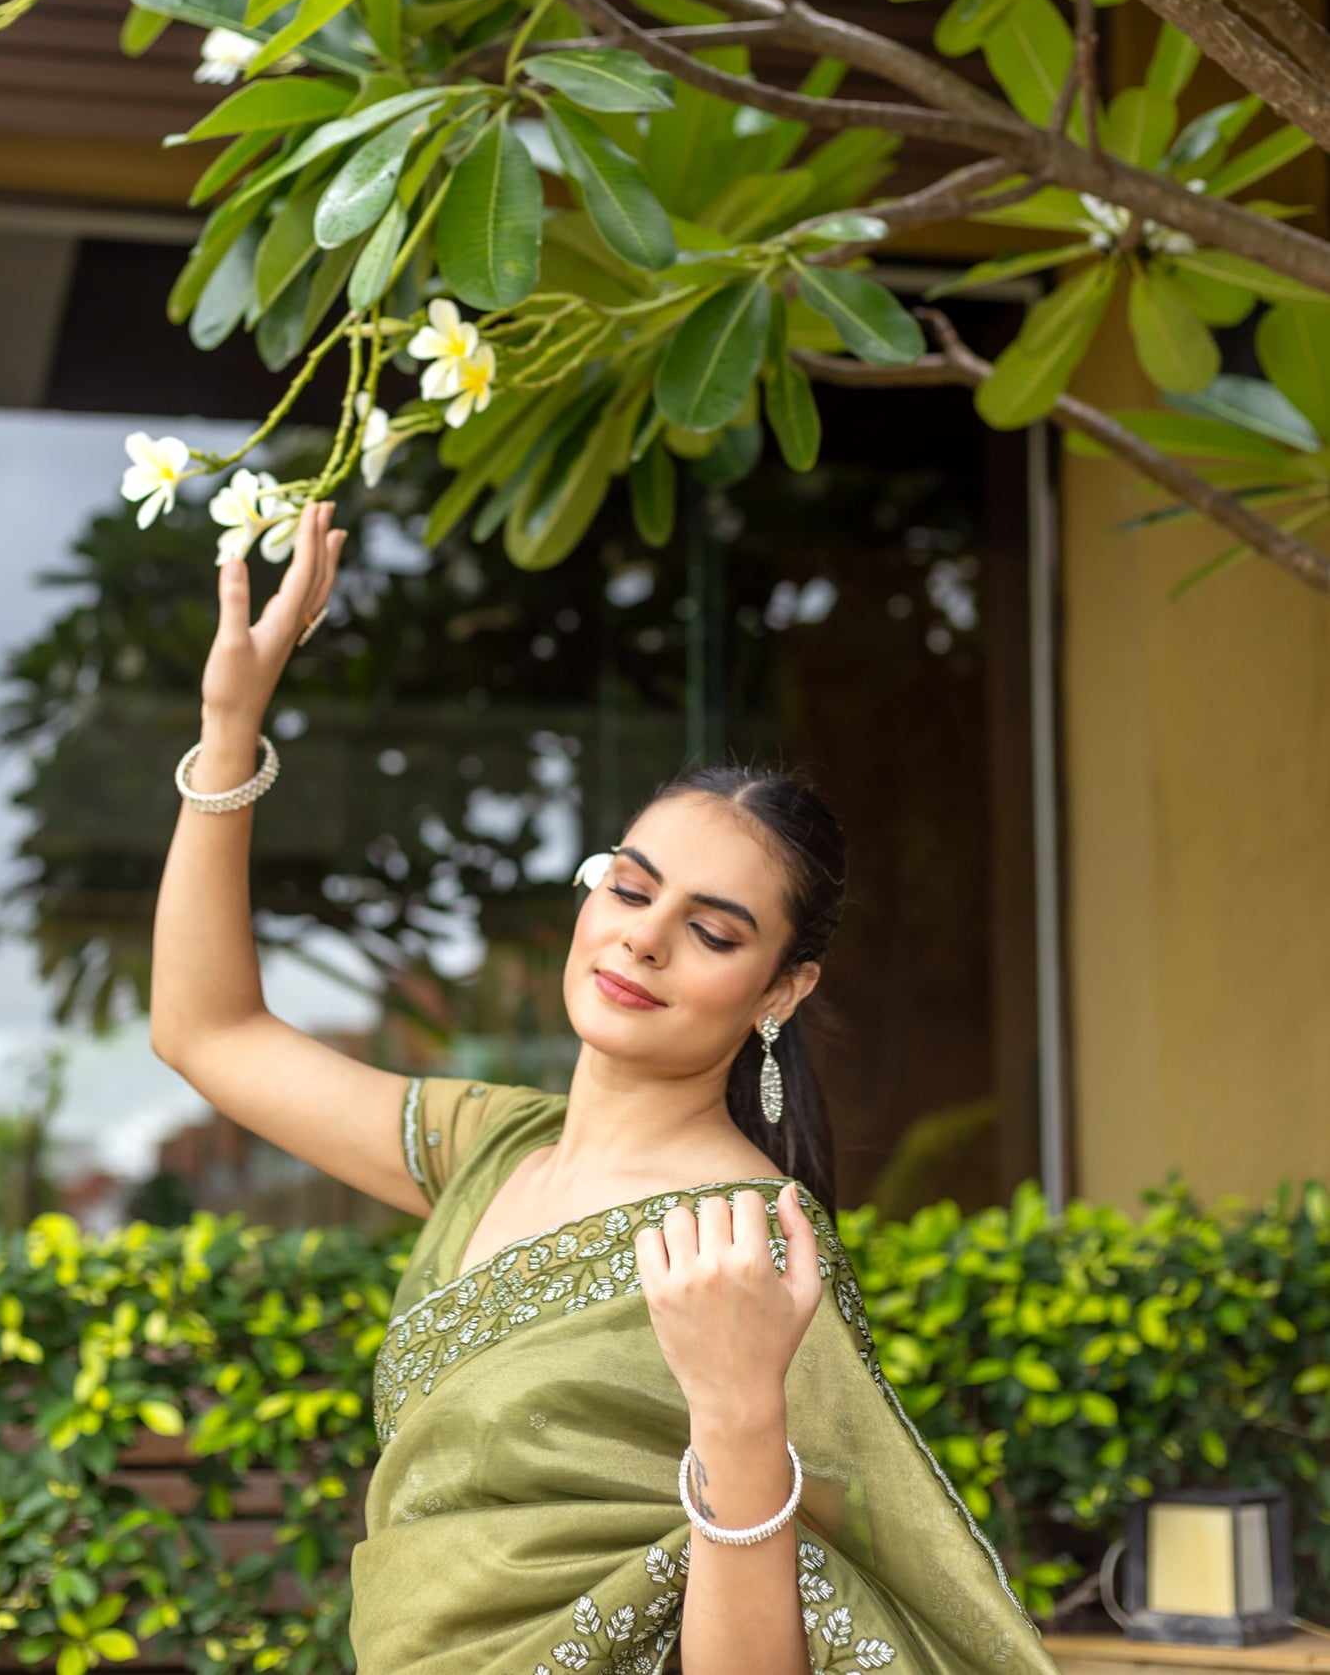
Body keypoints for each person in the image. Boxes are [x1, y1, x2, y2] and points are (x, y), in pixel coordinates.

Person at [151, 501, 1065, 1675]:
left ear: (779, 990)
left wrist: (740, 1417)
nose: (642, 941)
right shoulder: (487, 1146)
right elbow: (206, 1030)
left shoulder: (749, 1249)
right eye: (630, 891)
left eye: (712, 932)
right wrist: (230, 728)